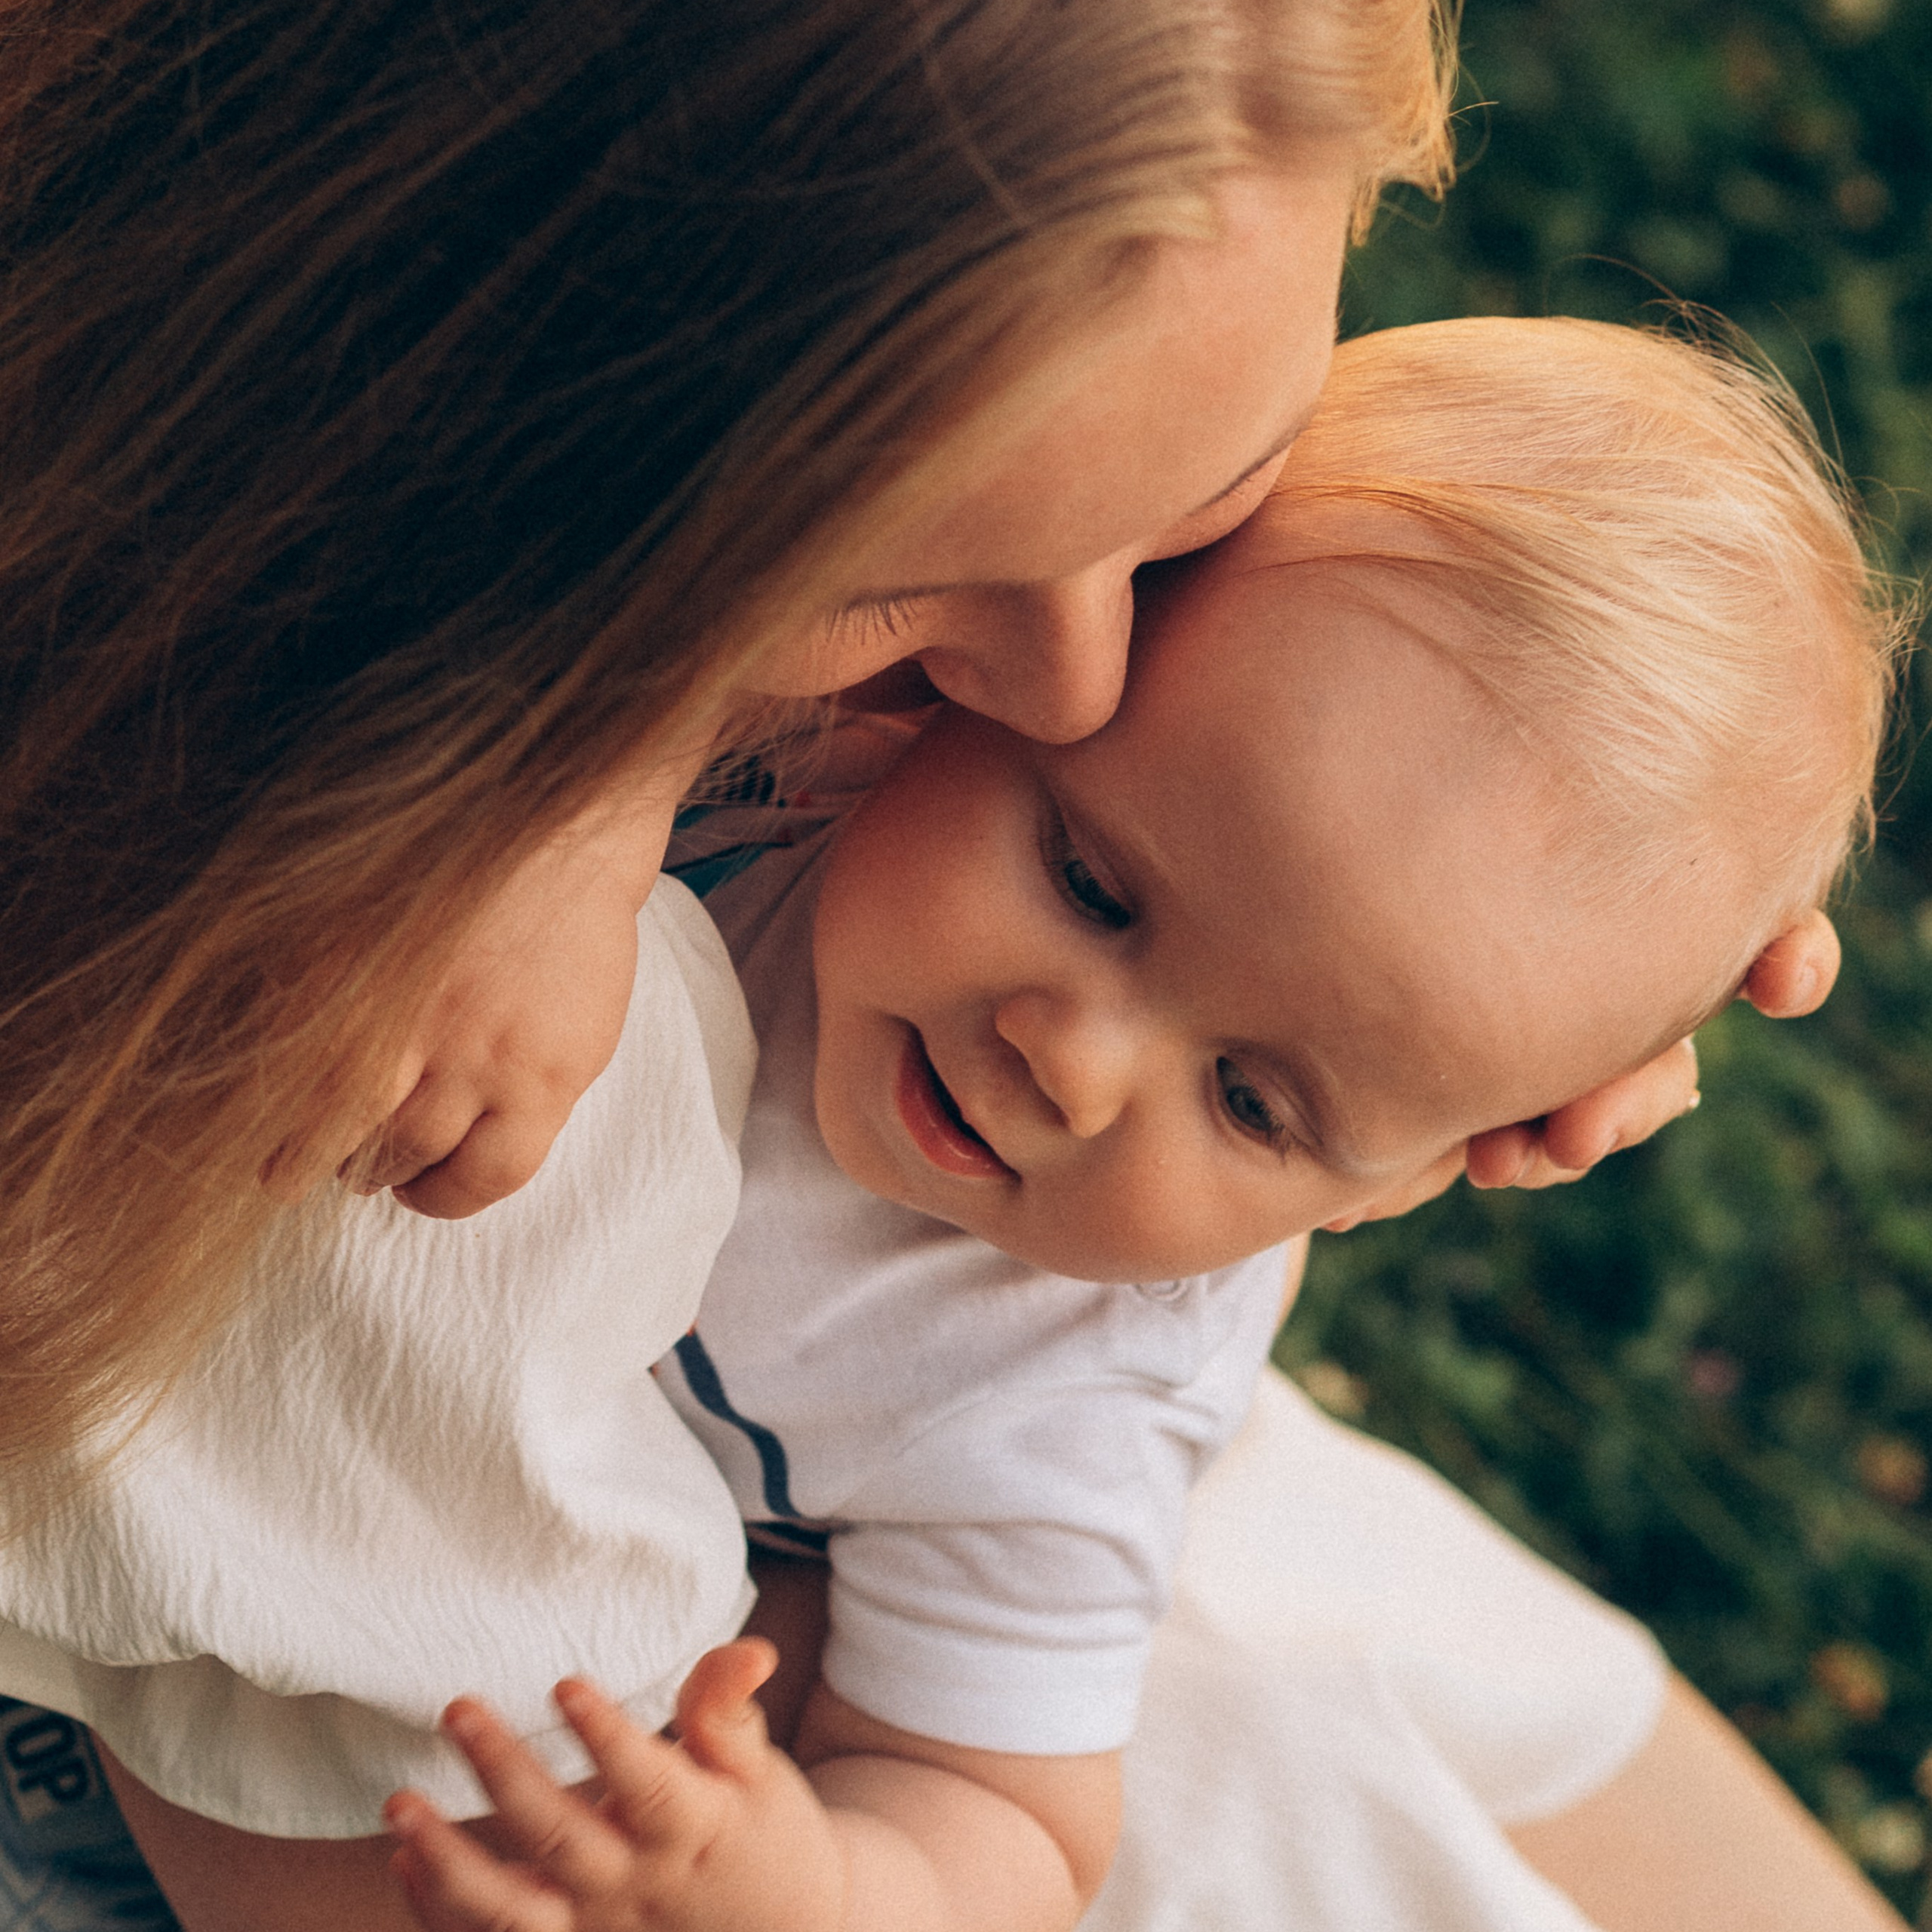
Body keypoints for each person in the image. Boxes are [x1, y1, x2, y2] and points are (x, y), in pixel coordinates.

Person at [375, 315, 1907, 1932]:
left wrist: (811, 1885)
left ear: (1388, 1193)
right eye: (1090, 884)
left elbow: (1002, 1816)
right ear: (1020, 665)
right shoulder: (805, 745)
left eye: (1252, 1100)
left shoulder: (1061, 1396)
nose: (1075, 1067)